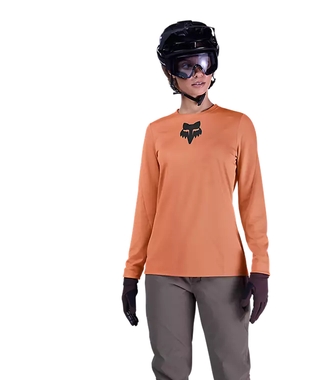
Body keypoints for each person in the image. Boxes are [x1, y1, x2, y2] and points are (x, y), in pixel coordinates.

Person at [122, 20, 270, 380]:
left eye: (203, 62)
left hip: (224, 270)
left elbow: (251, 199)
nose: (197, 73)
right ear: (169, 72)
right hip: (164, 271)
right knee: (169, 372)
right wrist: (132, 272)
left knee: (232, 371)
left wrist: (261, 265)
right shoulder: (156, 132)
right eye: (185, 66)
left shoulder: (238, 125)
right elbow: (146, 207)